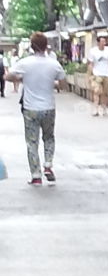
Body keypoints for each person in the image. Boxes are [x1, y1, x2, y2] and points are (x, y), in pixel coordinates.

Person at [8, 32, 66, 185]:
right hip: (48, 108)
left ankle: (36, 175)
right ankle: (48, 165)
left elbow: (7, 77)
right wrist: (52, 84)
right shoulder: (54, 64)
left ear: (32, 47)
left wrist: (21, 79)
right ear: (46, 46)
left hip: (30, 109)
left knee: (32, 142)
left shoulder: (25, 63)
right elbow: (63, 83)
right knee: (49, 137)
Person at [87, 33, 108, 116]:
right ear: (98, 42)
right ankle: (95, 109)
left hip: (107, 74)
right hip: (97, 74)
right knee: (96, 91)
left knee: (105, 93)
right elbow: (90, 63)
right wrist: (90, 74)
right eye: (102, 41)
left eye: (105, 41)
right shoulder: (93, 51)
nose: (104, 43)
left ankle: (104, 109)